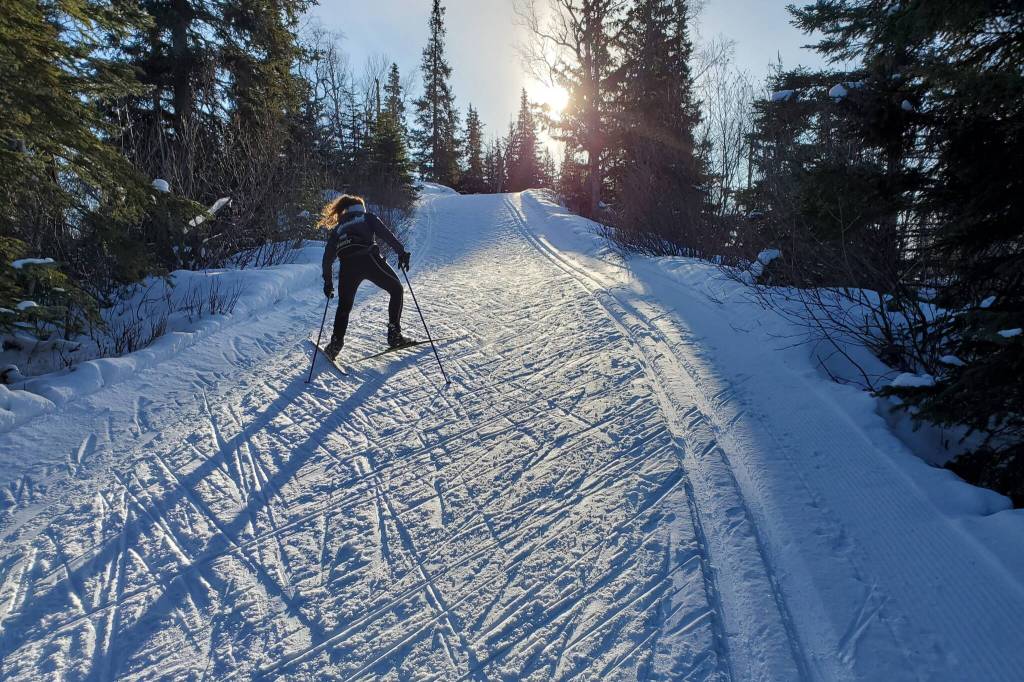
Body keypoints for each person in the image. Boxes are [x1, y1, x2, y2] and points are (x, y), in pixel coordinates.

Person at [319, 194, 414, 360]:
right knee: (396, 290)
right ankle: (394, 335)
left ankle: (335, 344)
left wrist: (328, 282)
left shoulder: (339, 228)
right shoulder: (367, 217)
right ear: (360, 207)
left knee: (344, 306)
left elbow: (327, 259)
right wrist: (401, 252)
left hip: (347, 267)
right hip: (368, 259)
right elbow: (386, 234)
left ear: (344, 211)